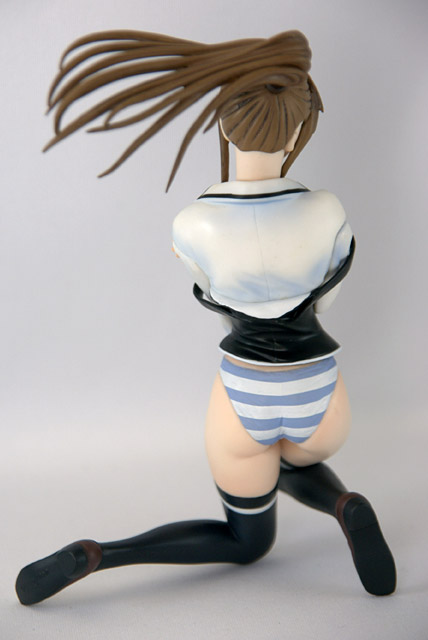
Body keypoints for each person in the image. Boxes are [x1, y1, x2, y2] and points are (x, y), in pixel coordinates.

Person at [15, 30, 396, 605]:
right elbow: (323, 302)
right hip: (321, 392)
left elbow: (216, 292)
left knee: (247, 539)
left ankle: (99, 554)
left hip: (243, 392)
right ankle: (344, 504)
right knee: (290, 460)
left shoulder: (193, 224)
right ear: (298, 126)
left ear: (223, 124)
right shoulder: (327, 210)